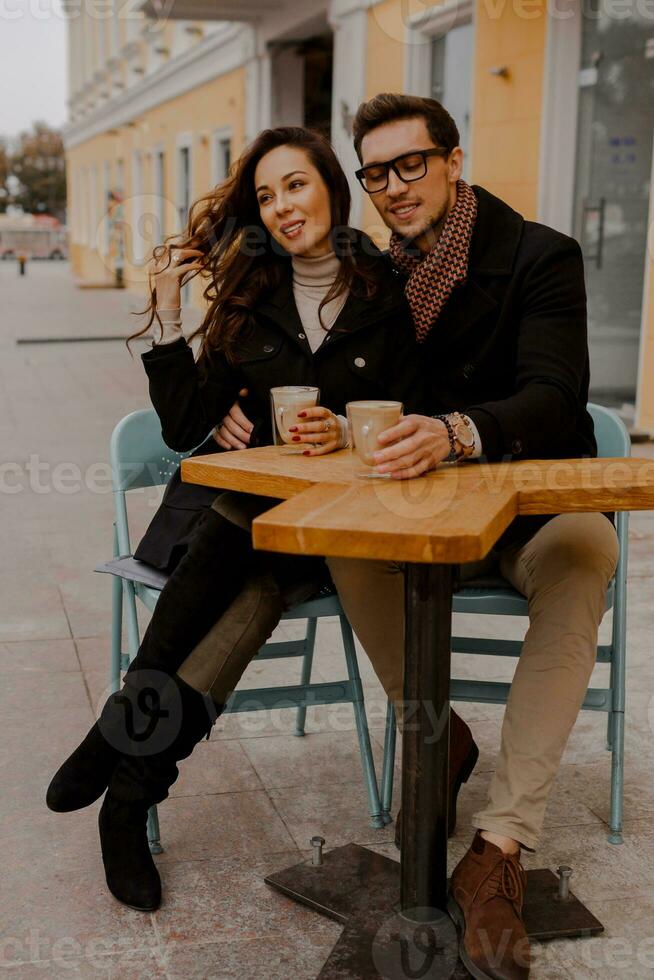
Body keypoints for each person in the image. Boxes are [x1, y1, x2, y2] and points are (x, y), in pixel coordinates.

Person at [214, 96, 619, 980]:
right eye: (376, 173)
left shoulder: (539, 255)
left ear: (452, 160)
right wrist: (287, 420)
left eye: (412, 165)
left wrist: (459, 429)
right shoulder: (369, 275)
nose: (394, 187)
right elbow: (308, 363)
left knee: (591, 550)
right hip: (415, 515)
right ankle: (443, 741)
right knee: (338, 534)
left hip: (527, 508)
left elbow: (556, 395)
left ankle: (500, 846)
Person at [46, 126, 425, 914]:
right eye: (265, 195)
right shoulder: (251, 297)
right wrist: (165, 313)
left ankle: (121, 736)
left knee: (242, 538)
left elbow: (413, 410)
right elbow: (186, 424)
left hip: (342, 531)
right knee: (246, 582)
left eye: (295, 185)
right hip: (245, 530)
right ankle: (131, 795)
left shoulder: (388, 291)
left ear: (331, 187)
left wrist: (347, 430)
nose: (282, 206)